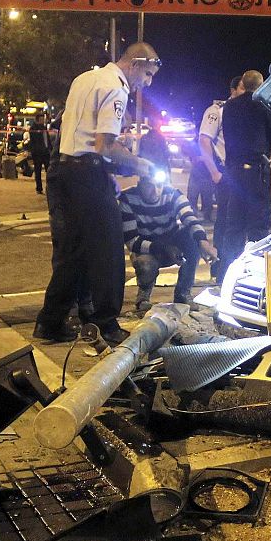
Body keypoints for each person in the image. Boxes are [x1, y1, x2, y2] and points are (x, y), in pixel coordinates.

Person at [32, 42, 162, 344]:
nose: (148, 83)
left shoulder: (85, 78)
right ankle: (106, 323)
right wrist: (140, 164)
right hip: (88, 174)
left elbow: (77, 132)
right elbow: (104, 145)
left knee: (72, 252)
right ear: (135, 64)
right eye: (148, 74)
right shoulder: (116, 89)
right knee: (108, 250)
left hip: (63, 171)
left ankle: (49, 321)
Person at [214, 69, 271, 282]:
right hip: (256, 171)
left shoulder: (229, 106)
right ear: (261, 85)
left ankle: (225, 275)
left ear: (243, 85)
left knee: (233, 224)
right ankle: (257, 276)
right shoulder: (263, 105)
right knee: (258, 225)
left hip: (234, 170)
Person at [120, 170, 216, 312]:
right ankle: (143, 296)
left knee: (192, 238)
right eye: (149, 186)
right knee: (145, 265)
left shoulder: (172, 193)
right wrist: (163, 248)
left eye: (159, 185)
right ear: (140, 184)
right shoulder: (128, 198)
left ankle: (183, 293)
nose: (156, 191)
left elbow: (189, 217)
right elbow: (132, 241)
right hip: (145, 248)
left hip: (171, 240)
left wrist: (203, 241)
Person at [192, 76, 241, 221]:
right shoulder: (217, 111)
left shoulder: (243, 112)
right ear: (233, 90)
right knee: (225, 218)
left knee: (237, 219)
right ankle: (220, 244)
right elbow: (204, 140)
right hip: (224, 169)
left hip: (239, 171)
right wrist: (215, 172)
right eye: (243, 88)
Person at [26, 114, 51, 194]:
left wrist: (49, 148)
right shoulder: (34, 128)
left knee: (49, 170)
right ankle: (39, 188)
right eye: (41, 119)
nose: (43, 121)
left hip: (46, 152)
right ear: (37, 120)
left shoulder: (44, 128)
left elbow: (47, 139)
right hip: (38, 153)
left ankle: (49, 187)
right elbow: (34, 141)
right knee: (38, 170)